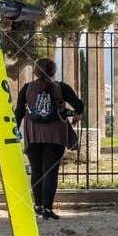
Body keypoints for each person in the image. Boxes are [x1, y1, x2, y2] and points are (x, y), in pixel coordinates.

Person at [16, 57, 84, 219]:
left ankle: (38, 205)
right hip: (55, 134)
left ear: (35, 71)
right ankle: (47, 208)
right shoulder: (62, 88)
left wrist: (16, 130)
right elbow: (79, 105)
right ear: (53, 72)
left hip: (33, 135)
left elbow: (18, 111)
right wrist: (77, 114)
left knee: (36, 171)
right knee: (50, 172)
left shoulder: (27, 88)